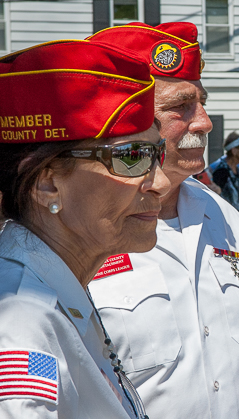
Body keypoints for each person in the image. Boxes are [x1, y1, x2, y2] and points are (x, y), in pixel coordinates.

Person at [86, 23, 239, 419]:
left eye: (202, 102)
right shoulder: (80, 229)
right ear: (126, 118)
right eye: (181, 107)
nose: (205, 122)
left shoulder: (228, 219)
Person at [0, 39, 170, 418]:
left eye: (156, 154)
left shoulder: (52, 289)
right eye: (130, 157)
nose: (160, 182)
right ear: (47, 185)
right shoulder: (22, 320)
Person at [210, 132, 239, 229]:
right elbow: (219, 197)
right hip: (228, 225)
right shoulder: (221, 171)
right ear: (234, 150)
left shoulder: (237, 170)